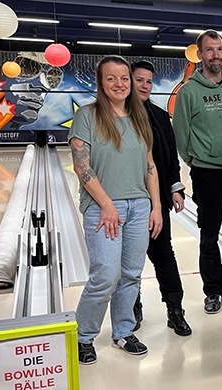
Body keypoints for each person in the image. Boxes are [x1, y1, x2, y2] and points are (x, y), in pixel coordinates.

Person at [69, 55, 163, 365]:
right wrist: (107, 205)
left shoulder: (139, 117)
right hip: (102, 208)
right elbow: (81, 166)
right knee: (105, 276)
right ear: (101, 83)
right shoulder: (87, 116)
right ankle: (83, 335)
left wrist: (156, 206)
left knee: (131, 275)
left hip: (139, 206)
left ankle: (123, 331)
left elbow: (150, 166)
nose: (119, 84)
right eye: (111, 78)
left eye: (124, 78)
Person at [173, 29, 222, 314]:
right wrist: (195, 159)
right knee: (209, 231)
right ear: (200, 54)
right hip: (206, 172)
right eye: (209, 50)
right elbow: (181, 133)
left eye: (219, 49)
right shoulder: (189, 91)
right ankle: (212, 290)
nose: (215, 55)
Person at [131, 60, 192, 336]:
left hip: (155, 202)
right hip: (125, 201)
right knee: (129, 263)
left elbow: (169, 156)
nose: (144, 86)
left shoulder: (157, 115)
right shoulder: (113, 116)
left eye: (148, 81)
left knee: (164, 255)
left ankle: (175, 311)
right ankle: (131, 308)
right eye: (139, 80)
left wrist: (175, 188)